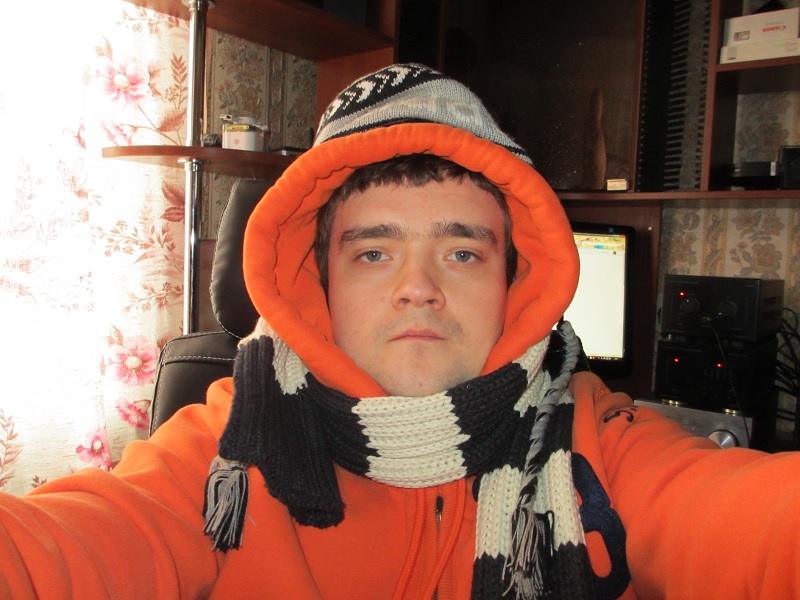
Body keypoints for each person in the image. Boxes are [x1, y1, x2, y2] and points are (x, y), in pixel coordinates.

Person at [1, 63, 800, 600]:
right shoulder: (224, 451)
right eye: (374, 252)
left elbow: (752, 526)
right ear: (319, 283)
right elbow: (62, 549)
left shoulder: (600, 440)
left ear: (515, 281)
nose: (418, 288)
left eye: (462, 251)